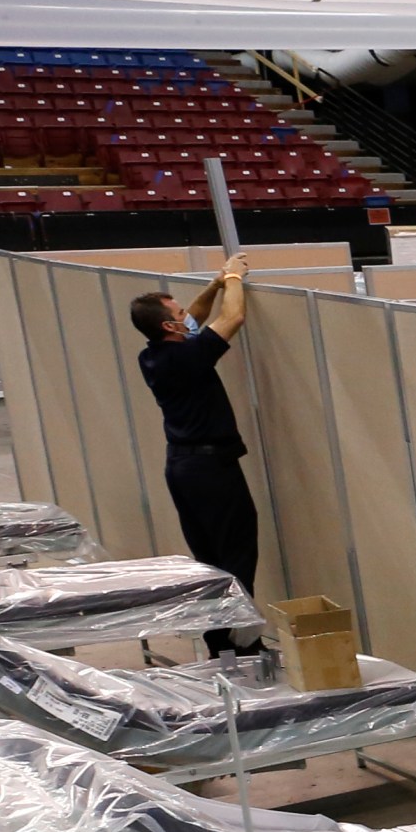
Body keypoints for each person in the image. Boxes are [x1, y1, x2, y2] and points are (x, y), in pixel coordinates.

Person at [130, 255, 261, 659]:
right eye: (179, 313)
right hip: (211, 470)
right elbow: (233, 317)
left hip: (184, 468)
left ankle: (219, 645)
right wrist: (235, 277)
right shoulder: (189, 357)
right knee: (236, 553)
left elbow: (199, 317)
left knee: (209, 557)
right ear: (169, 326)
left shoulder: (154, 354)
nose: (189, 316)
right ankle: (243, 647)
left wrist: (216, 282)